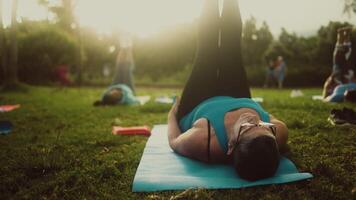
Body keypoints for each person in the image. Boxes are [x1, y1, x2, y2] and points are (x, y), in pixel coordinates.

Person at [167, 0, 288, 181]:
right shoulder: (279, 132)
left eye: (248, 128)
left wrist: (172, 113)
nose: (255, 119)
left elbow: (174, 142)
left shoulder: (203, 141)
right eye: (263, 127)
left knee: (207, 49)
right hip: (237, 96)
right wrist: (261, 122)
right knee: (231, 46)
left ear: (231, 145)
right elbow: (266, 120)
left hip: (199, 103)